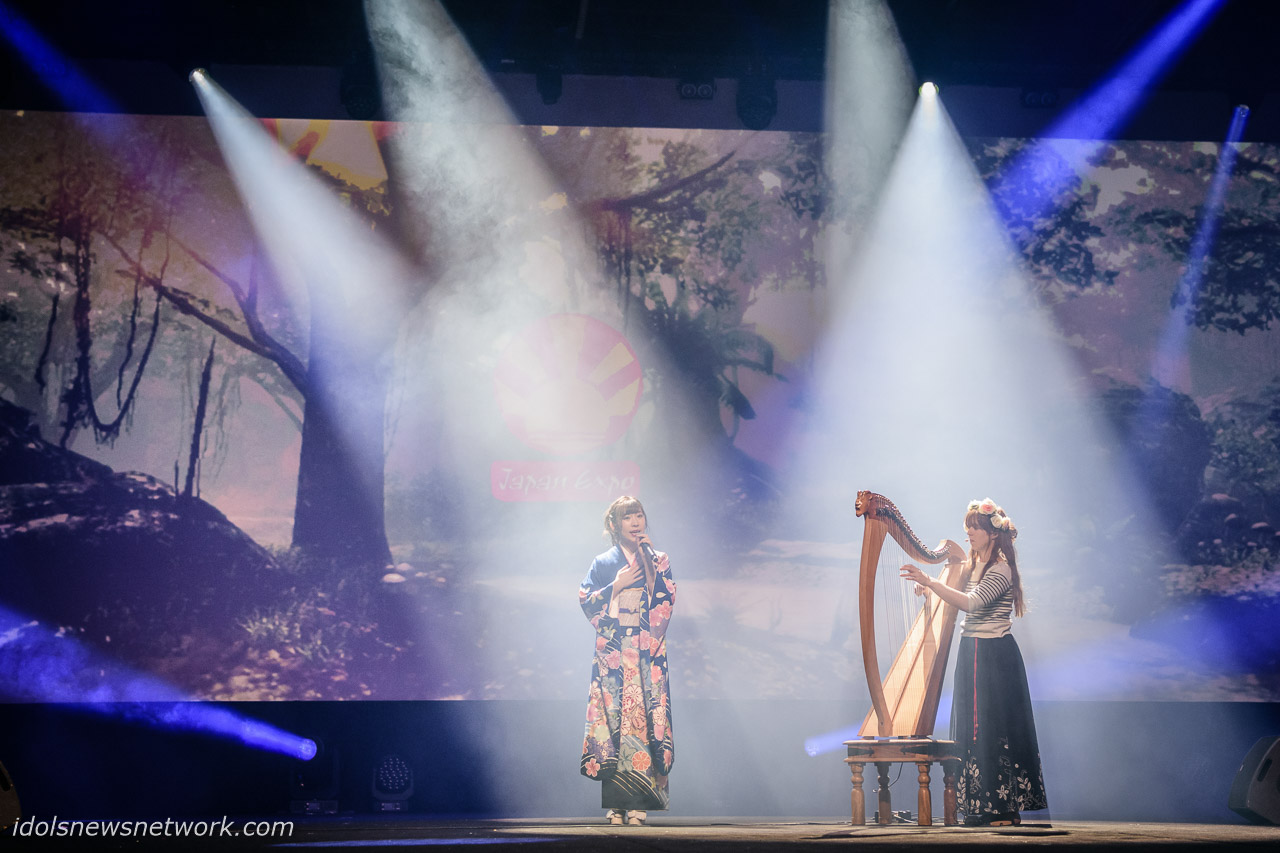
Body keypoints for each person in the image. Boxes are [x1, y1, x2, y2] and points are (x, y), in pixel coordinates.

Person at [900, 497, 1048, 827]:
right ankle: (982, 806)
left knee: (993, 728)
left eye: (975, 527)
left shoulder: (1000, 568)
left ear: (993, 533)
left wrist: (931, 582)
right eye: (967, 526)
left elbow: (971, 603)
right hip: (972, 650)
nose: (968, 532)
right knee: (972, 727)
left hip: (993, 655)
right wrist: (928, 591)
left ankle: (1004, 809)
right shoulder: (970, 565)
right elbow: (956, 596)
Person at [578, 495, 675, 826]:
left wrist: (650, 565)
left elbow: (665, 599)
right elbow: (586, 598)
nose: (635, 522)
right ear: (614, 524)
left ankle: (641, 803)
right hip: (615, 650)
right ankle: (617, 805)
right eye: (627, 517)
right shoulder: (603, 562)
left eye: (639, 516)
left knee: (646, 720)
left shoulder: (658, 558)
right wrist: (616, 586)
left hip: (646, 649)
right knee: (615, 722)